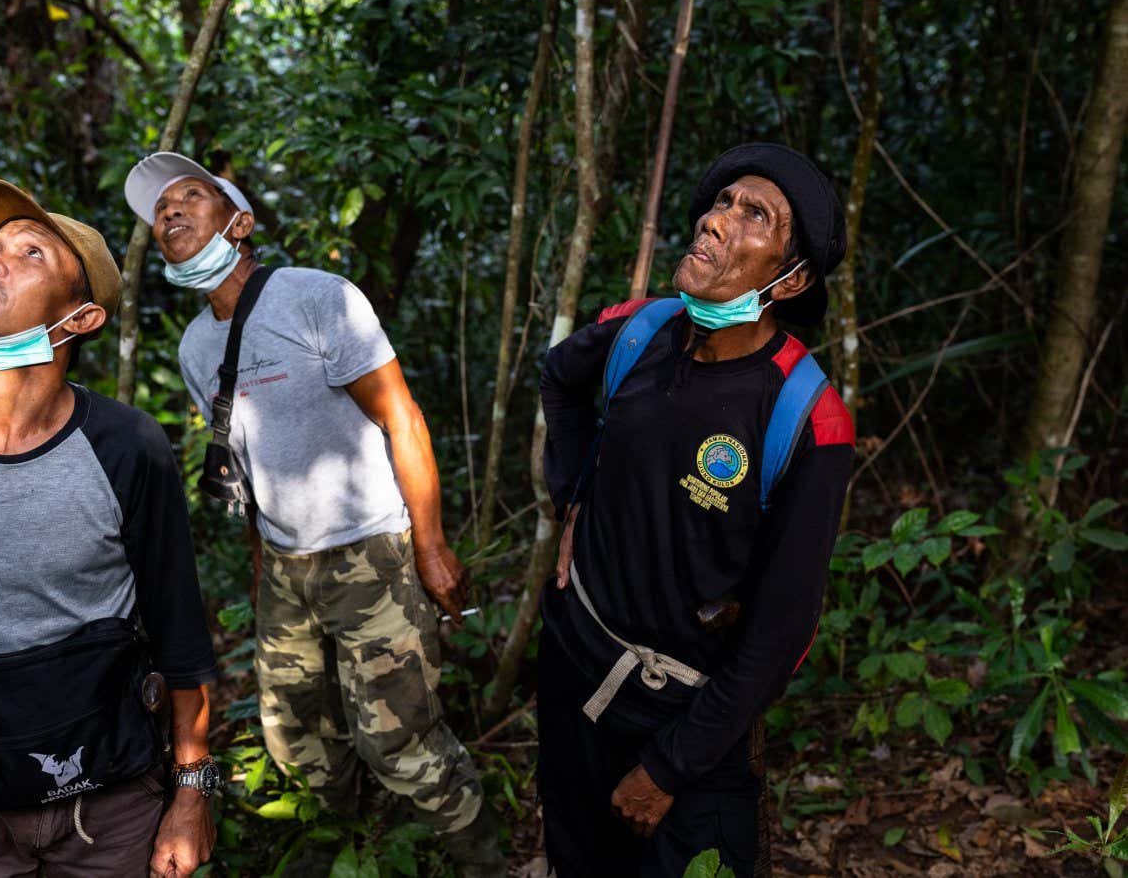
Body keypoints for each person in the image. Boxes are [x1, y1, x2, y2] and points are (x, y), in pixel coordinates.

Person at [123, 153, 505, 876]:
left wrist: (430, 547)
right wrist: (264, 565)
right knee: (295, 736)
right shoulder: (195, 346)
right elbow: (241, 462)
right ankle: (342, 845)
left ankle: (485, 862)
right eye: (160, 209)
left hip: (371, 551)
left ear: (240, 223)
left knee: (400, 741)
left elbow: (402, 417)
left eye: (190, 195)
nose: (169, 211)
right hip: (285, 567)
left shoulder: (316, 297)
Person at [0, 179, 219, 877]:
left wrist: (190, 795)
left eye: (30, 254)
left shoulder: (127, 446)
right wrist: (3, 713)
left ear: (81, 319)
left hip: (115, 793)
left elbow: (180, 635)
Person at [537, 143, 856, 877]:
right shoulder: (638, 330)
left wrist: (671, 767)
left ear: (791, 278)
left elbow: (781, 633)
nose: (717, 221)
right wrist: (575, 496)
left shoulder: (806, 418)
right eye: (721, 202)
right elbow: (560, 377)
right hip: (574, 673)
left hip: (685, 718)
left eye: (755, 216)